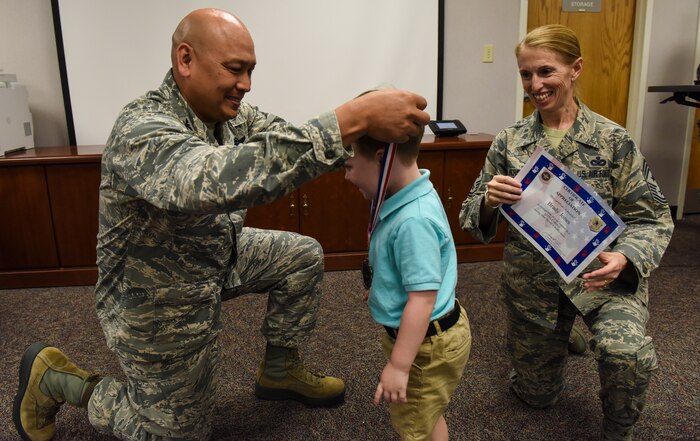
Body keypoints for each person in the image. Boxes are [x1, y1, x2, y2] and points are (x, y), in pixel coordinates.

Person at [13, 8, 430, 441]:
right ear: (186, 59)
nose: (246, 85)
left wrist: (374, 149)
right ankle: (58, 379)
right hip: (155, 298)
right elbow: (218, 180)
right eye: (235, 69)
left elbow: (282, 143)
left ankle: (279, 371)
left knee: (302, 257)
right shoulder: (142, 128)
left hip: (215, 254)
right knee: (178, 433)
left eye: (251, 71)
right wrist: (355, 117)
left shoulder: (227, 116)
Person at [459, 24, 673, 441]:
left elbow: (653, 218)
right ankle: (565, 330)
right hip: (534, 286)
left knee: (624, 353)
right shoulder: (510, 142)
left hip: (600, 277)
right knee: (536, 398)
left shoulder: (613, 140)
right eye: (525, 75)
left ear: (575, 69)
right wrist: (488, 201)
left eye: (545, 72)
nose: (534, 85)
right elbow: (471, 219)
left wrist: (625, 257)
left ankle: (619, 428)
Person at [343, 129, 471, 441]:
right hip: (426, 336)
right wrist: (385, 285)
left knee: (415, 425)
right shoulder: (412, 193)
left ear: (381, 157)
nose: (347, 176)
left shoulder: (413, 219)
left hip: (427, 345)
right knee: (426, 414)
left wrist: (400, 367)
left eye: (349, 164)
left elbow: (422, 300)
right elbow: (410, 267)